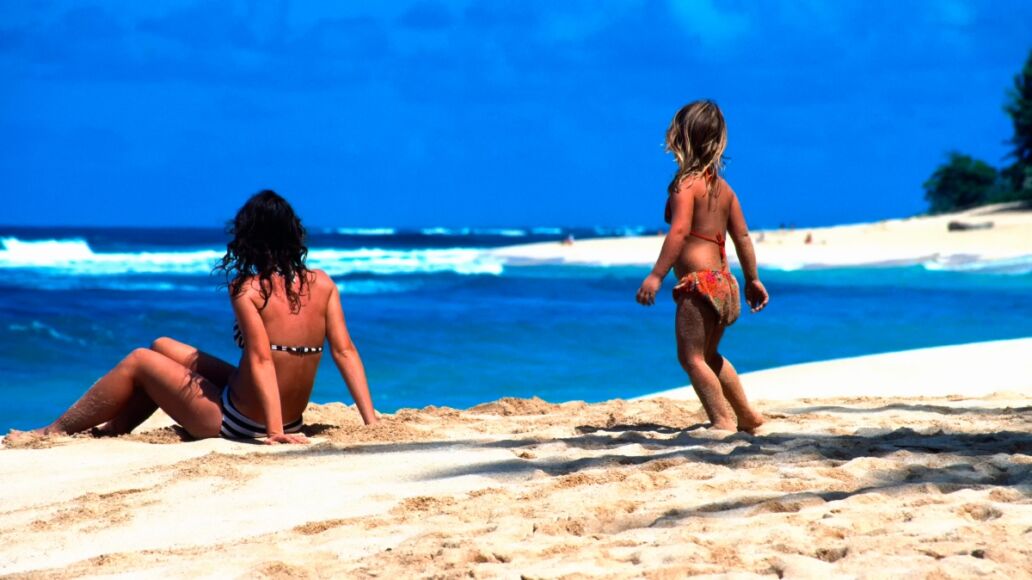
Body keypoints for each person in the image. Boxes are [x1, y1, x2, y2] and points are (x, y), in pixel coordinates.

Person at [29, 190, 378, 444]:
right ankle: (114, 430)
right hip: (288, 417)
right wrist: (371, 420)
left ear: (248, 240)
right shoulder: (324, 283)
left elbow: (260, 358)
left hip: (237, 422)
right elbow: (345, 352)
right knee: (162, 346)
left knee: (140, 360)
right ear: (293, 234)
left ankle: (55, 430)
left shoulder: (249, 289)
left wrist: (273, 433)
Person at [636, 100, 769, 433]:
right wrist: (753, 280)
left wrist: (656, 275)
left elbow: (679, 232)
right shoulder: (725, 191)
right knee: (710, 355)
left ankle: (721, 420)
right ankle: (747, 416)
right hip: (725, 282)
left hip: (699, 285)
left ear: (679, 139)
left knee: (691, 357)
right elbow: (743, 237)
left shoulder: (685, 185)